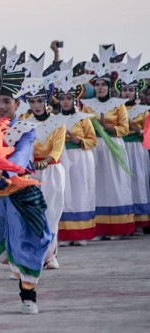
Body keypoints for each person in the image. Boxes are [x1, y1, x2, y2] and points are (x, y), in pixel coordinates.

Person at [0, 47, 52, 314]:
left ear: (18, 104)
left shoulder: (27, 128)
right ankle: (21, 272)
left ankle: (29, 295)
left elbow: (22, 155)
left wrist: (5, 170)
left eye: (7, 101)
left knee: (27, 241)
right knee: (3, 246)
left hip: (22, 193)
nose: (2, 106)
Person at [18, 55, 66, 269]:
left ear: (47, 100)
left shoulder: (58, 123)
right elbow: (22, 148)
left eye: (40, 100)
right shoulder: (25, 123)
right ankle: (33, 256)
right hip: (31, 174)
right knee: (31, 215)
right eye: (32, 101)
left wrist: (43, 162)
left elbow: (56, 151)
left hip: (51, 172)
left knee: (52, 214)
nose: (36, 105)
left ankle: (51, 255)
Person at [82, 45, 135, 238]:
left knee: (116, 184)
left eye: (103, 85)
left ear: (109, 87)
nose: (100, 88)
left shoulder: (118, 105)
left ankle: (119, 228)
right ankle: (100, 228)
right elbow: (85, 126)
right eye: (97, 85)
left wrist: (108, 127)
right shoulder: (88, 106)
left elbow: (124, 128)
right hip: (96, 147)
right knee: (98, 185)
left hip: (114, 145)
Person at [55, 60, 98, 246]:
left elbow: (93, 140)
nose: (65, 102)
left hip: (80, 157)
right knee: (64, 193)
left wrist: (78, 140)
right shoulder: (54, 119)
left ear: (75, 100)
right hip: (62, 156)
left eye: (68, 98)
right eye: (62, 98)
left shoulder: (83, 118)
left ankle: (80, 233)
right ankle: (65, 233)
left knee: (80, 191)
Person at [119, 55, 150, 233]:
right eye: (124, 90)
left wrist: (134, 128)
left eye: (130, 90)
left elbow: (147, 133)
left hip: (137, 148)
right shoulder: (117, 108)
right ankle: (126, 220)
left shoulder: (144, 111)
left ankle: (142, 221)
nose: (127, 93)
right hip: (122, 147)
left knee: (139, 181)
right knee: (125, 182)